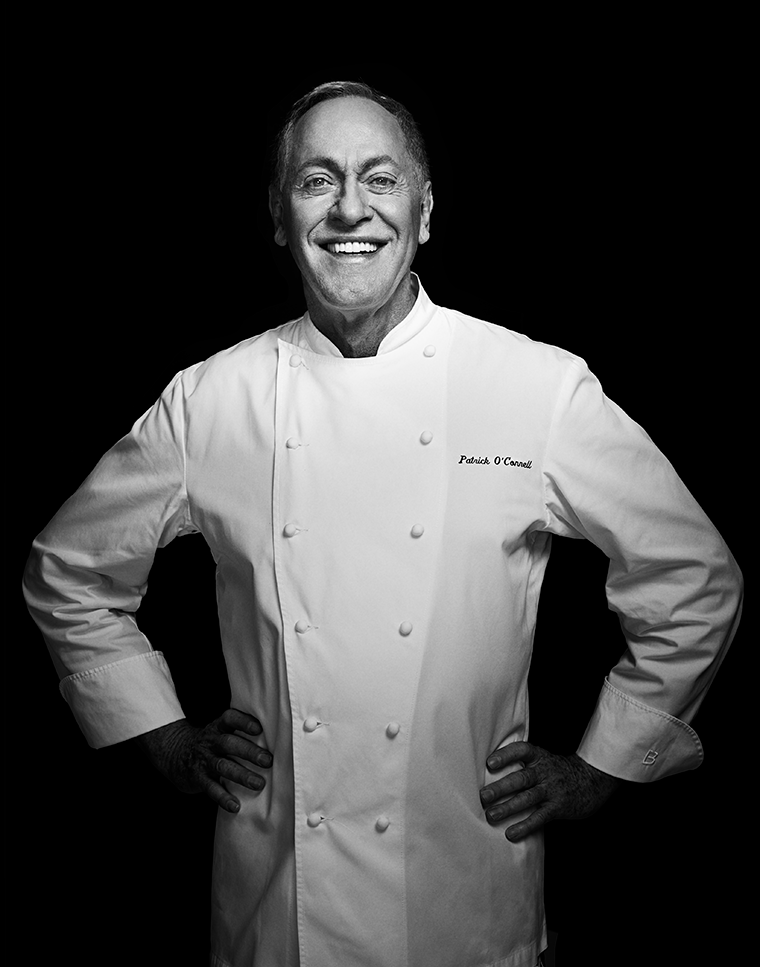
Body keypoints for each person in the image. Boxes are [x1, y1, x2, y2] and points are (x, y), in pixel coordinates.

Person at [23, 80, 743, 967]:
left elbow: (693, 576)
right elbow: (70, 571)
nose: (350, 210)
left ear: (426, 209)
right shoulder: (213, 400)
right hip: (277, 912)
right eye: (317, 181)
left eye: (380, 179)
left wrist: (604, 763)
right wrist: (162, 736)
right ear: (281, 218)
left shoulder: (532, 387)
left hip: (467, 900)